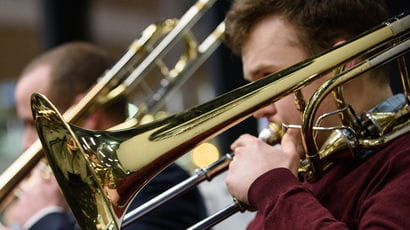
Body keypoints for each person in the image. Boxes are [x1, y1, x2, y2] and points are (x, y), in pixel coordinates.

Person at [223, 0, 410, 229]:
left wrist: (271, 187)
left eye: (271, 80)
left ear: (342, 62)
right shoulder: (305, 170)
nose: (260, 111)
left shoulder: (402, 162)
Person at [4, 42, 207, 229]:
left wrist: (43, 218)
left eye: (36, 125)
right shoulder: (68, 193)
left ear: (87, 114)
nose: (25, 143)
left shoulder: (159, 182)